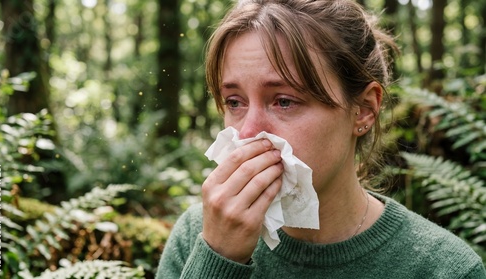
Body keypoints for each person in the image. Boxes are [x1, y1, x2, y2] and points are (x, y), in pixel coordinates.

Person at [156, 0, 486, 278]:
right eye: (234, 102)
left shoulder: (442, 268)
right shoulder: (199, 236)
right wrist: (218, 259)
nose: (246, 132)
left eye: (284, 101)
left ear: (364, 111)